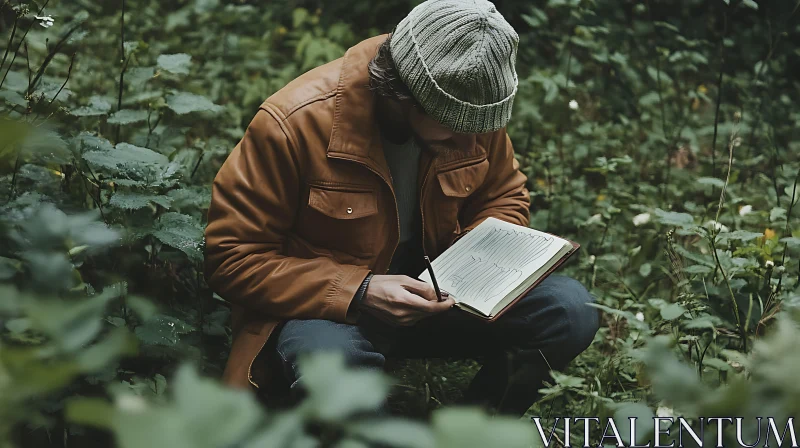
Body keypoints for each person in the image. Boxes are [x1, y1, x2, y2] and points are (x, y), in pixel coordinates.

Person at [204, 0, 599, 416]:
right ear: (403, 94)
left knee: (570, 311)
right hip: (328, 314)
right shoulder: (294, 124)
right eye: (455, 127)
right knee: (334, 367)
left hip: (441, 298)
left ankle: (475, 430)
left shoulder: (472, 111)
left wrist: (472, 268)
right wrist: (359, 291)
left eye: (480, 127)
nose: (471, 143)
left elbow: (505, 196)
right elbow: (232, 258)